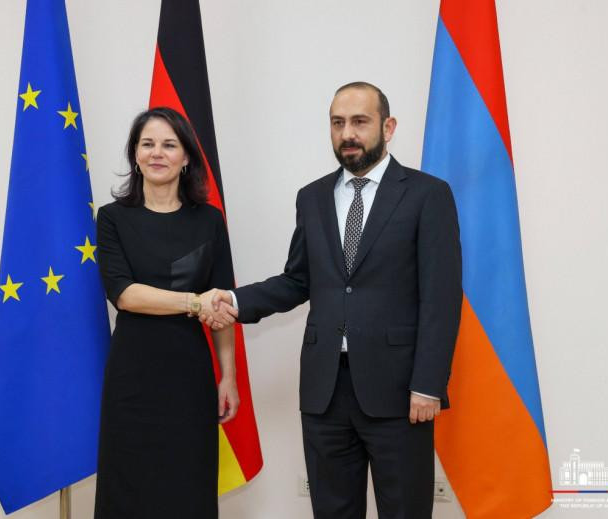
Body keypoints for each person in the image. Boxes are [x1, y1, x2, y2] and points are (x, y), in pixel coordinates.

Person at [206, 82, 462, 518]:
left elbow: (441, 297)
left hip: (400, 392)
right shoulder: (312, 197)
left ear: (388, 127)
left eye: (360, 122)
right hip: (324, 391)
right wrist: (233, 299)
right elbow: (297, 280)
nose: (348, 134)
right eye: (337, 123)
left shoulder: (427, 194)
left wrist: (428, 384)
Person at [94, 107, 239, 519]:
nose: (157, 153)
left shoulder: (210, 220)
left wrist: (228, 376)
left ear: (186, 156)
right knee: (128, 491)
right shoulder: (112, 218)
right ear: (135, 155)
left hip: (190, 376)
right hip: (132, 378)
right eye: (148, 144)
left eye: (169, 145)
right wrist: (194, 302)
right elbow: (125, 294)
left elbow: (222, 306)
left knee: (187, 487)